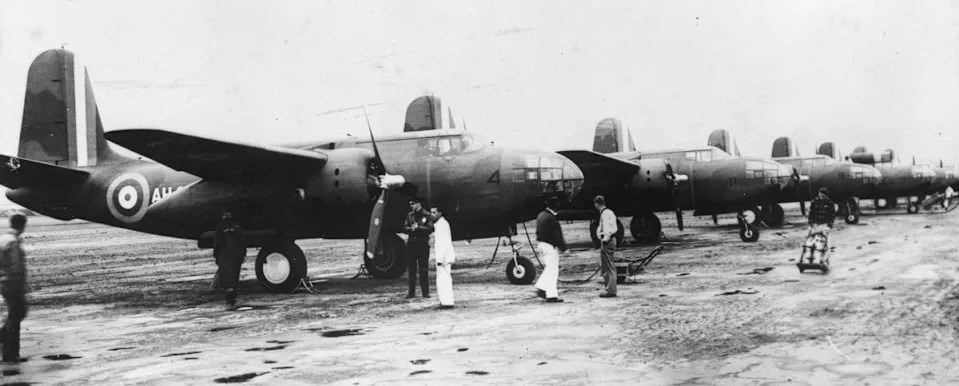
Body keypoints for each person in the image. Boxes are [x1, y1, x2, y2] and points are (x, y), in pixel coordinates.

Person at [0, 214, 28, 362]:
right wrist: (19, 286)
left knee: (16, 315)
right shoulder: (13, 242)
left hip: (4, 283)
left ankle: (4, 338)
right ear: (22, 226)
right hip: (13, 283)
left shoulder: (3, 239)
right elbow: (16, 267)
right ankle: (10, 355)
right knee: (16, 317)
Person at [534, 197, 567, 303]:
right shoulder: (552, 218)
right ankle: (548, 292)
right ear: (556, 207)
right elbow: (557, 235)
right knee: (552, 270)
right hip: (549, 246)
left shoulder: (541, 215)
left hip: (541, 244)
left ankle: (545, 290)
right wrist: (564, 248)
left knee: (550, 268)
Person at [213, 210, 246, 306]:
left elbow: (218, 243)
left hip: (224, 256)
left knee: (227, 280)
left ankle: (229, 299)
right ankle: (232, 298)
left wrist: (216, 255)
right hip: (235, 256)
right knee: (233, 279)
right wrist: (242, 255)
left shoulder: (220, 227)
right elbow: (243, 243)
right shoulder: (238, 227)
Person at [404, 198, 434, 298]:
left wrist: (418, 228)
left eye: (413, 204)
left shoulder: (427, 215)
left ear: (418, 204)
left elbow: (430, 229)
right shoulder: (410, 215)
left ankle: (425, 292)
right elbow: (404, 227)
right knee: (411, 270)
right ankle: (411, 293)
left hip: (423, 245)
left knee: (424, 270)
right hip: (411, 245)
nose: (411, 206)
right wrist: (411, 228)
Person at [430, 206, 455, 309]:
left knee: (444, 279)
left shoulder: (442, 225)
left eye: (434, 212)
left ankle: (447, 302)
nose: (432, 214)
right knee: (442, 279)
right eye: (431, 212)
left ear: (440, 213)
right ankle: (445, 301)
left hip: (443, 258)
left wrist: (440, 259)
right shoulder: (440, 224)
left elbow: (444, 243)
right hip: (443, 257)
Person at [594, 196, 618, 298]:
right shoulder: (609, 212)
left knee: (608, 267)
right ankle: (610, 288)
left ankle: (611, 290)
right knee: (610, 266)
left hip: (608, 241)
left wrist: (605, 239)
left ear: (597, 204)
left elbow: (607, 228)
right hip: (612, 239)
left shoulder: (604, 214)